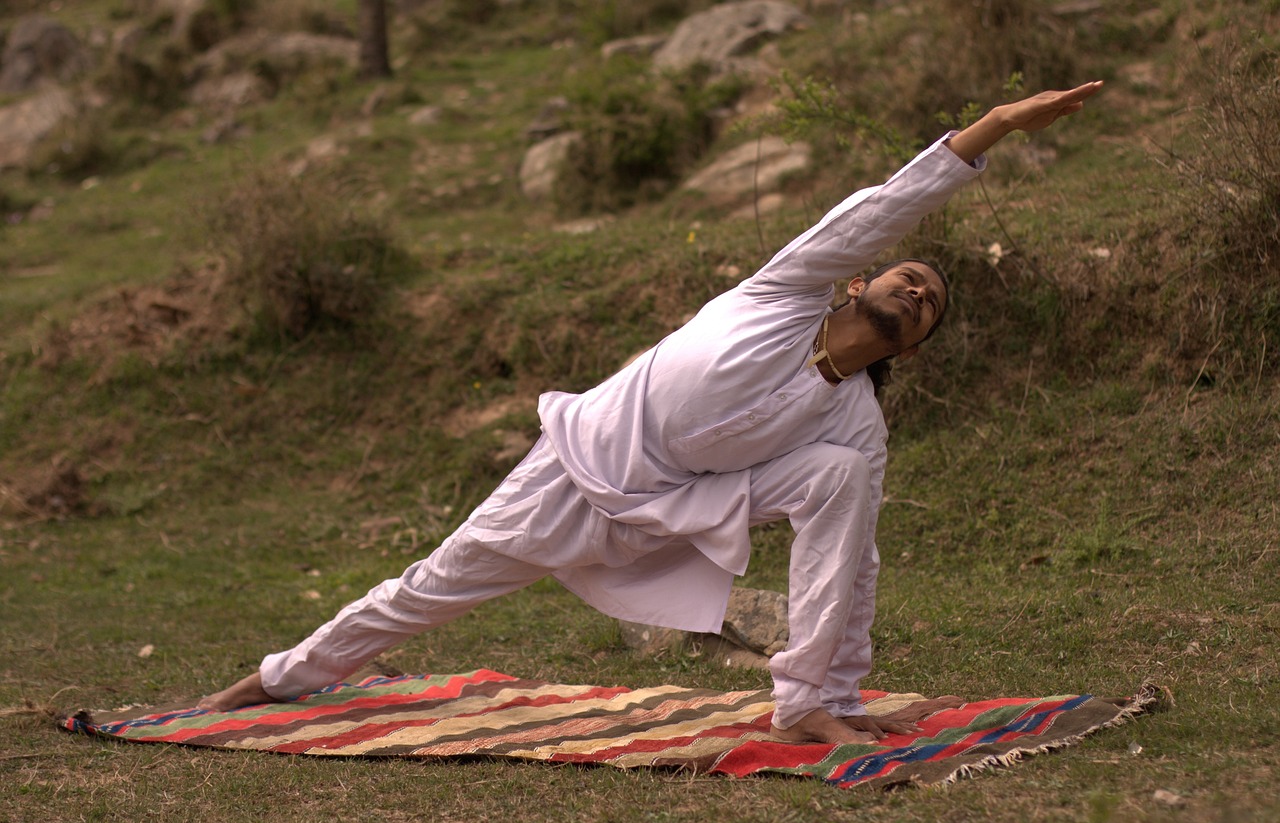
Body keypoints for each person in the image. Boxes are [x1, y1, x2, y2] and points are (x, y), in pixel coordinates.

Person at [201, 82, 1104, 745]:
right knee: (432, 585)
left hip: (670, 517)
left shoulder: (853, 422)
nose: (916, 295)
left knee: (843, 480)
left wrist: (847, 693)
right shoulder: (787, 292)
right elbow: (881, 208)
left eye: (931, 306)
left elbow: (853, 561)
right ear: (863, 281)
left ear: (912, 347)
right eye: (910, 278)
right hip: (572, 475)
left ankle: (807, 704)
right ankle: (282, 676)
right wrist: (994, 128)